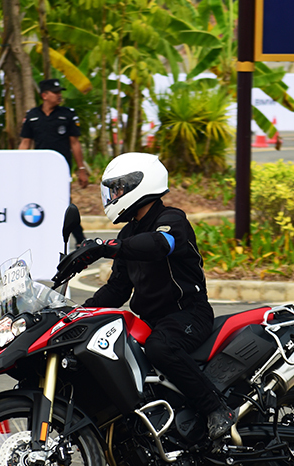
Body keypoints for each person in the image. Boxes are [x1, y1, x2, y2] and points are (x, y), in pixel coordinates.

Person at [71, 152, 236, 441]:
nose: (114, 195)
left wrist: (105, 247)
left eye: (119, 188)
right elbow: (117, 289)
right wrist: (78, 314)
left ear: (140, 184)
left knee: (161, 348)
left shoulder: (171, 219)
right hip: (152, 321)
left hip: (188, 314)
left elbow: (160, 244)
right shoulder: (127, 235)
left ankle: (217, 409)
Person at [19, 78, 88, 242]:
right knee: (38, 204)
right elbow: (25, 143)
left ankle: (80, 240)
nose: (59, 96)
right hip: (38, 171)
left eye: (60, 92)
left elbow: (75, 143)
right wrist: (19, 167)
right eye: (55, 92)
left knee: (65, 205)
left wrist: (81, 169)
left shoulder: (67, 114)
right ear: (44, 95)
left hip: (61, 170)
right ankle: (40, 239)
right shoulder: (32, 116)